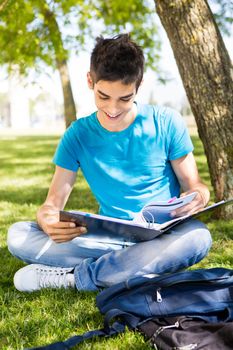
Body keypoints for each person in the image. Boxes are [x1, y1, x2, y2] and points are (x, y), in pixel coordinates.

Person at [7, 34, 212, 292]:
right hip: (106, 242)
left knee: (198, 237)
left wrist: (198, 198)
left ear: (139, 85)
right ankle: (132, 268)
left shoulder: (167, 123)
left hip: (161, 237)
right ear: (90, 81)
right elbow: (51, 204)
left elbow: (195, 185)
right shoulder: (78, 135)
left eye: (124, 98)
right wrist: (48, 221)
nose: (113, 109)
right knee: (18, 236)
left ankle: (75, 278)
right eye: (103, 96)